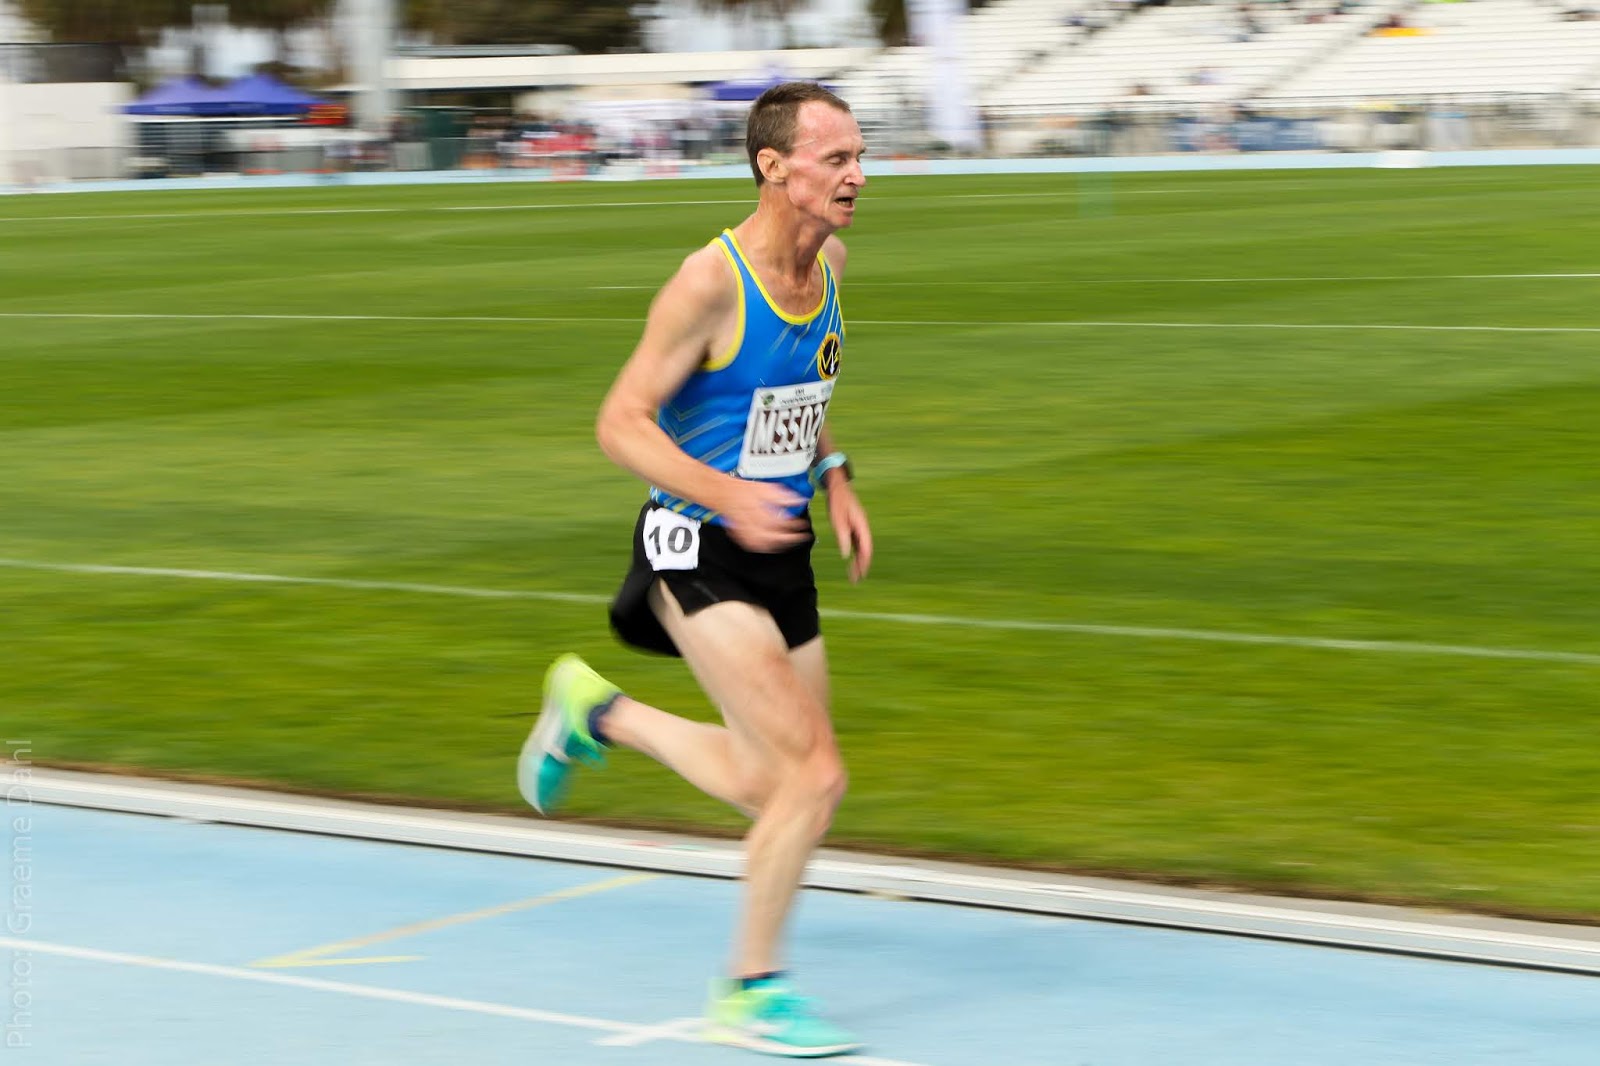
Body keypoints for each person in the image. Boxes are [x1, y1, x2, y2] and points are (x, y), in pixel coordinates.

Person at [518, 81, 872, 1058]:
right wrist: (723, 496)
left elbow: (795, 385)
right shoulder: (706, 283)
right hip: (696, 541)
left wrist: (834, 474)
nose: (856, 175)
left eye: (857, 155)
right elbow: (619, 421)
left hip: (782, 542)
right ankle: (750, 988)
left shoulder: (830, 264)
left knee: (779, 786)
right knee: (818, 777)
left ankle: (598, 712)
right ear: (774, 167)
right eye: (834, 159)